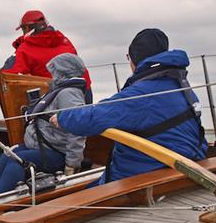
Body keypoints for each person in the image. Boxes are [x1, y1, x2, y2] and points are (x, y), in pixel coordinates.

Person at [51, 28, 207, 185]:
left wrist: (62, 118)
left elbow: (94, 117)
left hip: (145, 173)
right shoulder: (181, 87)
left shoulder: (142, 93)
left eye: (129, 57)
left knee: (80, 199)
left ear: (136, 59)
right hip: (187, 165)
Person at [0, 53, 88, 195]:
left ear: (62, 72)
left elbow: (78, 127)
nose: (52, 75)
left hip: (56, 153)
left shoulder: (69, 93)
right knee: (8, 155)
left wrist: (72, 164)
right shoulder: (59, 90)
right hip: (41, 148)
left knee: (18, 162)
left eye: (54, 71)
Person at [2, 10, 93, 95]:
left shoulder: (25, 48)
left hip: (55, 95)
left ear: (26, 28)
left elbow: (7, 75)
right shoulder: (65, 41)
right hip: (84, 89)